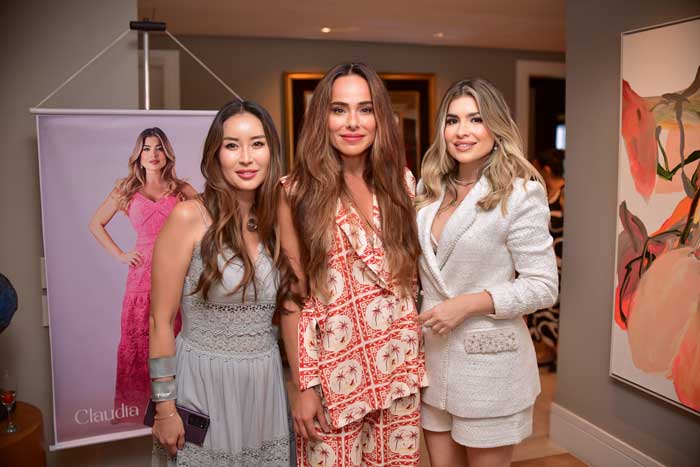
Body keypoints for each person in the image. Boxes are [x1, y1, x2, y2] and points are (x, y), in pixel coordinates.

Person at [278, 62, 426, 467]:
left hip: (399, 366)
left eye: (365, 109)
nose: (352, 122)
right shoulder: (294, 192)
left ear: (381, 118)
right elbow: (292, 296)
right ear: (321, 117)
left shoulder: (403, 185)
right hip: (333, 373)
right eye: (339, 109)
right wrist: (302, 385)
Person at [415, 78, 558, 467]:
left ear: (495, 127)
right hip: (432, 365)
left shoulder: (521, 193)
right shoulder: (425, 193)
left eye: (475, 119)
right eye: (452, 120)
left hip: (490, 370)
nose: (462, 131)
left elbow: (544, 286)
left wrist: (471, 304)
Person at [148, 100, 293, 466]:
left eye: (257, 144)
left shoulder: (278, 219)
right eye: (232, 145)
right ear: (216, 154)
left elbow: (297, 300)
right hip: (203, 383)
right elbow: (159, 321)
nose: (246, 158)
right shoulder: (188, 217)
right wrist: (165, 408)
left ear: (272, 152)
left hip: (263, 382)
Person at [89, 128, 196, 422]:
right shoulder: (125, 190)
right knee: (139, 343)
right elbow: (96, 223)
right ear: (139, 155)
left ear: (167, 153)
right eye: (147, 148)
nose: (153, 154)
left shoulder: (181, 190)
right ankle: (137, 414)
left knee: (175, 338)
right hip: (141, 279)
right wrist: (121, 255)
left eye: (159, 148)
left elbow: (206, 222)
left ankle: (177, 412)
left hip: (177, 274)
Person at [528, 148, 565, 370]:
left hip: (561, 266)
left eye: (537, 169)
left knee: (556, 311)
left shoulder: (566, 194)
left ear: (547, 169)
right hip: (545, 260)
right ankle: (547, 352)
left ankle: (559, 356)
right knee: (541, 311)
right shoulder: (542, 194)